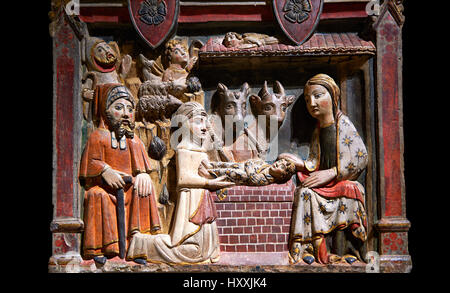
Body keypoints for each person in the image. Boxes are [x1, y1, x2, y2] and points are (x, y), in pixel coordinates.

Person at [126, 102, 234, 264]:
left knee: (206, 251)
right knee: (189, 252)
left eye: (205, 122)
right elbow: (183, 179)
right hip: (191, 201)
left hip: (202, 200)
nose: (204, 127)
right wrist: (209, 183)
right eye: (198, 121)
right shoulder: (184, 149)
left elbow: (208, 170)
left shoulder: (200, 150)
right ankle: (141, 243)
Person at [284, 74, 368, 265]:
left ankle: (347, 250)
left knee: (350, 190)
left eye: (318, 95)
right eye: (307, 99)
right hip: (324, 184)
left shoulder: (343, 124)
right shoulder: (318, 129)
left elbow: (360, 156)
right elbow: (314, 160)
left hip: (339, 180)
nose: (312, 103)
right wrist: (300, 164)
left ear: (333, 96)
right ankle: (310, 249)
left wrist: (333, 172)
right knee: (305, 193)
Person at [79, 84, 161, 265]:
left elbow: (142, 167)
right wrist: (105, 170)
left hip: (128, 189)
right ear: (105, 111)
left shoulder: (133, 140)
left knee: (143, 189)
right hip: (105, 190)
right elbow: (90, 164)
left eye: (130, 109)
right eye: (118, 107)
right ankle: (101, 248)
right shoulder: (98, 136)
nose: (126, 113)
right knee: (96, 195)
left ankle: (137, 247)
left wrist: (143, 175)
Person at [198, 156, 300, 186]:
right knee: (231, 165)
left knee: (236, 173)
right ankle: (211, 166)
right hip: (242, 167)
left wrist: (250, 169)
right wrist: (250, 168)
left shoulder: (266, 179)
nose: (277, 164)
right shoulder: (265, 165)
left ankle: (210, 175)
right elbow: (250, 162)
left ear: (281, 176)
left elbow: (252, 179)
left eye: (281, 167)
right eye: (280, 162)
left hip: (239, 178)